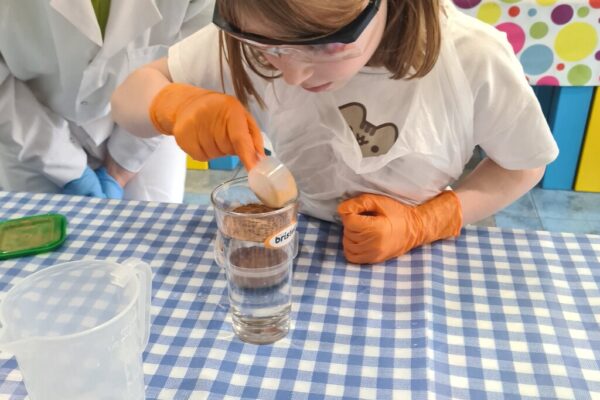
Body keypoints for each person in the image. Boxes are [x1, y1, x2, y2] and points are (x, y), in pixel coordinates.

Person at [111, 0, 559, 263]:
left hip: (416, 258)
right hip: (296, 243)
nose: (292, 76)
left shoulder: (471, 59)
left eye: (326, 46)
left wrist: (427, 222)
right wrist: (174, 104)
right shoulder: (255, 27)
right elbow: (129, 98)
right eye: (265, 51)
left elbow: (523, 166)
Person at [0, 0, 214, 202]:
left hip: (150, 115)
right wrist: (62, 163)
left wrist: (123, 164)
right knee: (39, 234)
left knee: (152, 233)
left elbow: (190, 61)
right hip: (25, 114)